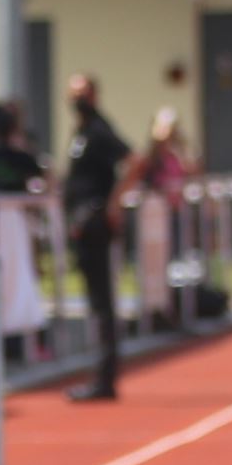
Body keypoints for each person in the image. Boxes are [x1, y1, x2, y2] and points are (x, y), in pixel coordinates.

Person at [62, 74, 131, 402]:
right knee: (95, 302)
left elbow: (134, 161)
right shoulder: (81, 132)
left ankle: (106, 378)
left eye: (82, 94)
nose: (76, 99)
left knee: (102, 302)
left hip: (95, 225)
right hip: (81, 224)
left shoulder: (100, 131)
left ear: (94, 96)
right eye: (72, 93)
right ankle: (102, 375)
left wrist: (114, 204)